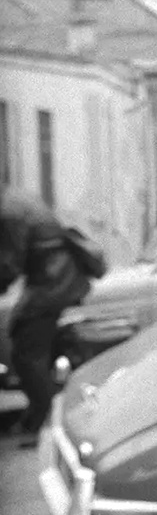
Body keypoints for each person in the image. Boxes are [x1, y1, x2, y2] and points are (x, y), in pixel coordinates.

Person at [0, 187, 91, 446]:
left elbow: (10, 263)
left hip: (53, 284)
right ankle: (36, 416)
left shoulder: (10, 212)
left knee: (28, 355)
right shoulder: (14, 200)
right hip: (54, 280)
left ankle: (46, 423)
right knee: (24, 341)